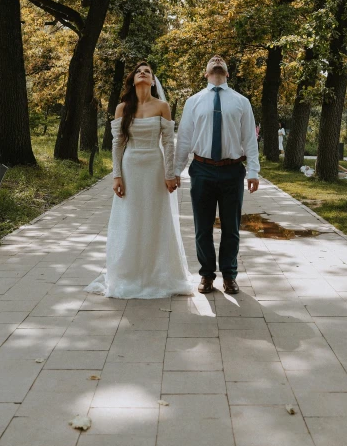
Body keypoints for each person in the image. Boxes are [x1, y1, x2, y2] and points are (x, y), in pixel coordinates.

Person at [85, 61, 193, 299]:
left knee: (155, 218)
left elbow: (167, 142)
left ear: (153, 81)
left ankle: (158, 273)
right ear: (133, 80)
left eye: (148, 72)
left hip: (154, 167)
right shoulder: (123, 108)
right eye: (139, 72)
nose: (143, 74)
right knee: (130, 219)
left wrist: (169, 174)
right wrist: (116, 175)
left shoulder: (162, 106)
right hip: (131, 167)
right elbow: (117, 144)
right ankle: (129, 274)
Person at [175, 55, 260, 296]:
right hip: (201, 169)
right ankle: (206, 275)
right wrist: (175, 172)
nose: (217, 59)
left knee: (231, 227)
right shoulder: (194, 101)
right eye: (212, 60)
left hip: (233, 170)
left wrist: (253, 171)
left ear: (228, 73)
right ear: (206, 73)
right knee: (202, 227)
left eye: (221, 60)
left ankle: (230, 275)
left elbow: (249, 139)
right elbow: (184, 139)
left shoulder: (241, 102)